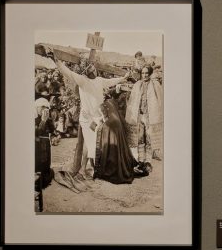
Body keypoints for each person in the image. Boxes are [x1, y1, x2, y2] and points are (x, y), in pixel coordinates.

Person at [52, 51, 129, 190]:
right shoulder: (82, 80)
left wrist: (123, 78)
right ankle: (84, 170)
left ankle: (90, 169)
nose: (93, 70)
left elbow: (111, 82)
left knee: (94, 143)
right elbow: (68, 73)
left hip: (97, 118)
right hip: (87, 119)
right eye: (90, 68)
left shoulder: (99, 80)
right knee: (90, 144)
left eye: (93, 68)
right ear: (86, 71)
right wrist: (56, 61)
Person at [126, 65, 163, 173]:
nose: (144, 75)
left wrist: (159, 113)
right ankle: (141, 161)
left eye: (146, 73)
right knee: (140, 139)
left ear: (150, 74)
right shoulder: (137, 85)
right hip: (139, 115)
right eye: (143, 73)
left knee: (149, 139)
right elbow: (132, 100)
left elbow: (160, 100)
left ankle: (148, 162)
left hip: (150, 116)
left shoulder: (155, 85)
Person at [94, 99, 141, 184]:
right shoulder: (116, 118)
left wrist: (99, 124)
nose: (102, 114)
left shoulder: (109, 123)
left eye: (103, 112)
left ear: (107, 110)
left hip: (112, 156)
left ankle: (109, 169)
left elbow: (97, 129)